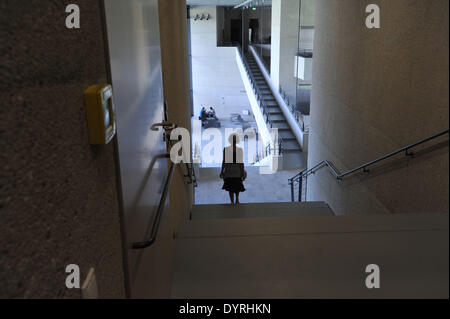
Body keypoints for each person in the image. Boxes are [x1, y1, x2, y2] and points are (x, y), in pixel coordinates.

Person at [220, 134, 247, 204]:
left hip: (228, 170)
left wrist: (222, 171)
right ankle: (237, 200)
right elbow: (241, 163)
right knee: (237, 185)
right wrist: (243, 173)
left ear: (230, 141)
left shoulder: (225, 149)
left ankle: (232, 202)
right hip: (237, 170)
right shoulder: (240, 150)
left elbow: (224, 161)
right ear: (237, 141)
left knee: (230, 187)